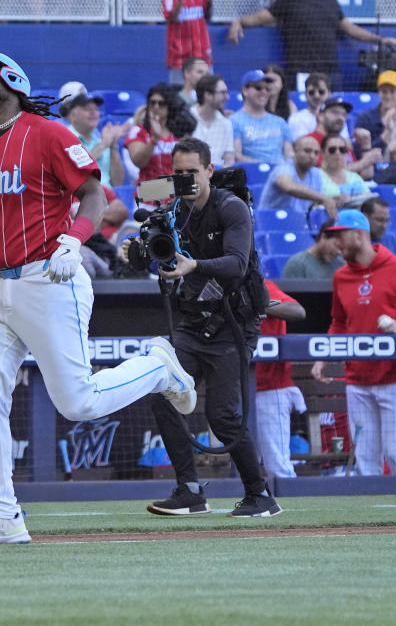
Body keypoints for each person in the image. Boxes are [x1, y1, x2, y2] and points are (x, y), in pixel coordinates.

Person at [0, 53, 197, 544]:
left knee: (78, 402)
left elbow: (94, 195)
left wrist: (75, 239)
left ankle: (157, 367)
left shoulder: (47, 131)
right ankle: (2, 518)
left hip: (49, 274)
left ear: (14, 80)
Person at [125, 137, 281, 518]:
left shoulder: (231, 208)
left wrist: (194, 266)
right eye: (178, 174)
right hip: (193, 321)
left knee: (223, 415)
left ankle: (261, 496)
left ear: (209, 170)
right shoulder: (174, 210)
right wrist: (138, 255)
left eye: (192, 172)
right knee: (163, 395)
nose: (185, 180)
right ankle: (189, 491)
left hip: (233, 323)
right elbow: (158, 255)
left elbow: (237, 265)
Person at [312, 209, 396, 476]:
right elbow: (339, 322)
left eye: (341, 236)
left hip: (394, 378)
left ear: (359, 235)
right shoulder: (341, 276)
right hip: (357, 380)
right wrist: (324, 355)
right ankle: (373, 518)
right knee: (365, 455)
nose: (336, 242)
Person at [228, 0, 396, 89]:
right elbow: (260, 17)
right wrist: (239, 22)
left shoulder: (330, 1)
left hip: (331, 73)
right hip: (300, 72)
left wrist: (381, 40)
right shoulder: (289, 0)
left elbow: (350, 29)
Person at [254, 280, 307, 479]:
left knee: (278, 467)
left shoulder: (263, 286)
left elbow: (298, 311)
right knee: (244, 467)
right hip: (237, 389)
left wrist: (260, 304)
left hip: (271, 389)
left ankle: (289, 507)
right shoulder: (219, 290)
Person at [126, 83, 194, 189]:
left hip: (178, 193)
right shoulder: (138, 131)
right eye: (152, 103)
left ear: (169, 106)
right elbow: (139, 162)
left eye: (161, 103)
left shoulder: (178, 131)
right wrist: (154, 138)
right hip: (149, 194)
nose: (156, 107)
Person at [60, 89, 125, 188]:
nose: (93, 113)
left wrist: (113, 146)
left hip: (107, 198)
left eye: (96, 109)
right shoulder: (64, 137)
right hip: (79, 199)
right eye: (87, 109)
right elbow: (75, 172)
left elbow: (117, 183)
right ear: (73, 115)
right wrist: (103, 145)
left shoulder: (101, 141)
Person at [259, 135, 335, 217]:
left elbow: (315, 204)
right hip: (270, 222)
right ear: (295, 151)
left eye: (316, 153)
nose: (312, 156)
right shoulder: (283, 168)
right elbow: (289, 187)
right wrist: (324, 198)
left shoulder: (316, 173)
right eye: (307, 151)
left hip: (299, 222)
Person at [308, 97, 380, 179]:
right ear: (321, 116)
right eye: (335, 113)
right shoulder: (310, 141)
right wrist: (364, 163)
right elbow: (325, 173)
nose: (341, 118)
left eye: (344, 114)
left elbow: (366, 175)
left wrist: (366, 146)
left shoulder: (342, 143)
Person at [231, 70, 293, 165]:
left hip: (281, 174)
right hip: (252, 174)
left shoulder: (280, 122)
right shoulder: (234, 121)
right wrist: (264, 167)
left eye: (267, 89)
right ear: (245, 91)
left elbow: (289, 155)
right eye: (258, 88)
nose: (264, 92)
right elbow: (237, 156)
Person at [162, 0, 215, 83]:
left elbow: (207, 17)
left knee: (207, 89)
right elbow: (172, 18)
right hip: (179, 55)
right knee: (178, 93)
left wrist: (209, 1)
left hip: (201, 52)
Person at [191, 73, 234, 166]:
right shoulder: (186, 119)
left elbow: (229, 160)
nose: (227, 97)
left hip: (218, 176)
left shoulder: (226, 124)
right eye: (223, 93)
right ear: (208, 95)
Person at [354, 70, 396, 154]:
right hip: (375, 165)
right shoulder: (365, 118)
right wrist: (387, 133)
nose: (388, 96)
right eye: (384, 91)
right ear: (378, 93)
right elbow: (357, 153)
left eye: (392, 91)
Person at [319, 134, 374, 203]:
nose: (338, 153)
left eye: (342, 150)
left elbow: (369, 198)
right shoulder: (317, 176)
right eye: (332, 150)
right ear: (323, 153)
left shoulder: (354, 176)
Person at [288, 72, 335, 140]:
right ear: (305, 94)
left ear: (329, 94)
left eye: (321, 92)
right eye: (311, 92)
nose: (316, 96)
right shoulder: (295, 118)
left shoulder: (336, 118)